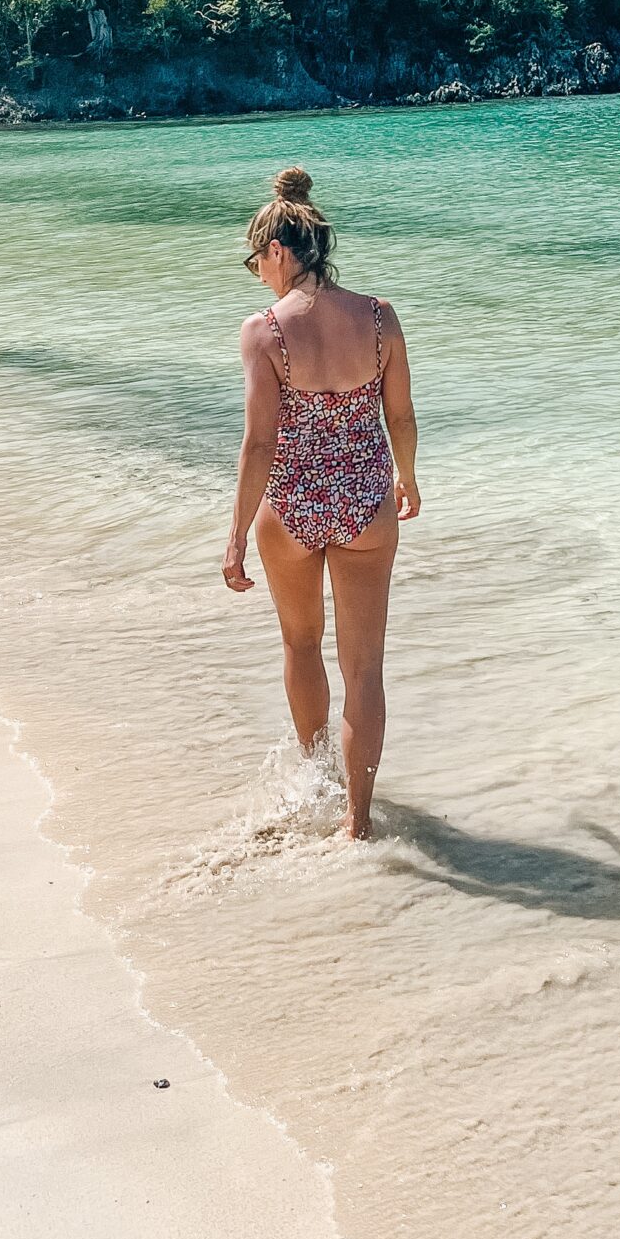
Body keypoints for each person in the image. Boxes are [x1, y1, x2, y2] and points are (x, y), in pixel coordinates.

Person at [223, 166, 419, 839]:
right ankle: (357, 823)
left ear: (278, 250)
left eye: (256, 262)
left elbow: (257, 445)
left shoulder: (264, 333)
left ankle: (319, 785)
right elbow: (402, 417)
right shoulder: (379, 318)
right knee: (365, 666)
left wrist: (236, 535)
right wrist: (409, 479)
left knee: (301, 645)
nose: (258, 275)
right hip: (368, 504)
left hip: (293, 509)